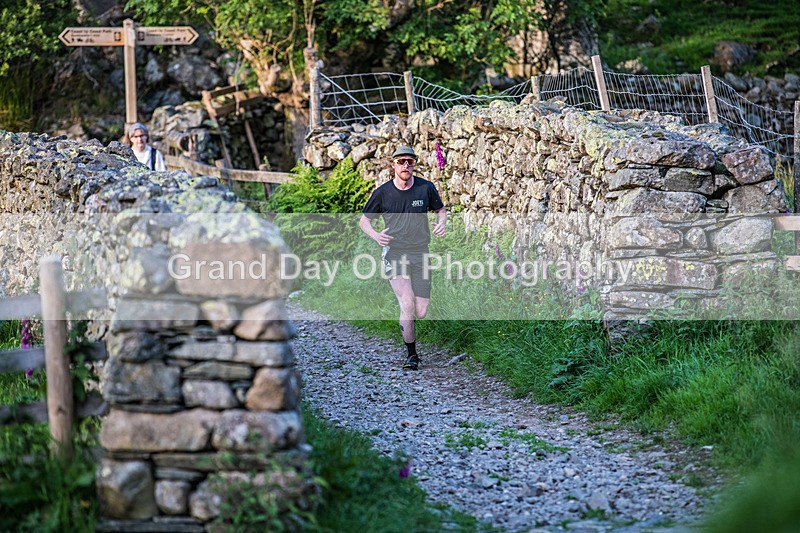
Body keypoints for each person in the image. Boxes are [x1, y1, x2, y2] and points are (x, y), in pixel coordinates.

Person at [359, 145, 447, 370]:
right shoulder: (383, 192)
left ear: (414, 164)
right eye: (401, 162)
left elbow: (441, 209)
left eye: (409, 161)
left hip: (420, 252)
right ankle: (412, 356)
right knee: (406, 304)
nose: (405, 165)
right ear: (393, 165)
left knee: (421, 311)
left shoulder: (425, 188)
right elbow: (364, 221)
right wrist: (377, 236)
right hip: (395, 252)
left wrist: (441, 223)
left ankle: (409, 333)